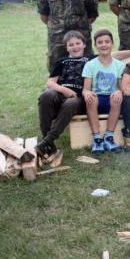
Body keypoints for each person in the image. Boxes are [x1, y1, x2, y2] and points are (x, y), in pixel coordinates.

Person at [36, 0, 99, 72]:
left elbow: (92, 14)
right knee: (56, 70)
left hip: (81, 39)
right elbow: (44, 16)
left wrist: (78, 28)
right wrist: (58, 26)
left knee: (86, 70)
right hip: (57, 40)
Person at [35, 30, 90, 161]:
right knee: (46, 95)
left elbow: (113, 54)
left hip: (79, 98)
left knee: (70, 103)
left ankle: (47, 140)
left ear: (84, 45)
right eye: (71, 45)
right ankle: (47, 142)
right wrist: (64, 90)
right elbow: (50, 82)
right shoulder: (62, 61)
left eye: (78, 43)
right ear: (66, 47)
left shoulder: (91, 59)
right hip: (60, 94)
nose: (75, 47)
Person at [82, 29, 126, 154]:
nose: (104, 44)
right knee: (91, 98)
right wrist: (87, 93)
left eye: (107, 41)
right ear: (95, 46)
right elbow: (86, 89)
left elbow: (121, 86)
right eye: (100, 42)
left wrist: (119, 91)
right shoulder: (90, 65)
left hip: (112, 99)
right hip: (97, 99)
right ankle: (97, 138)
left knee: (117, 98)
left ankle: (109, 136)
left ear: (112, 44)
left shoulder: (119, 65)